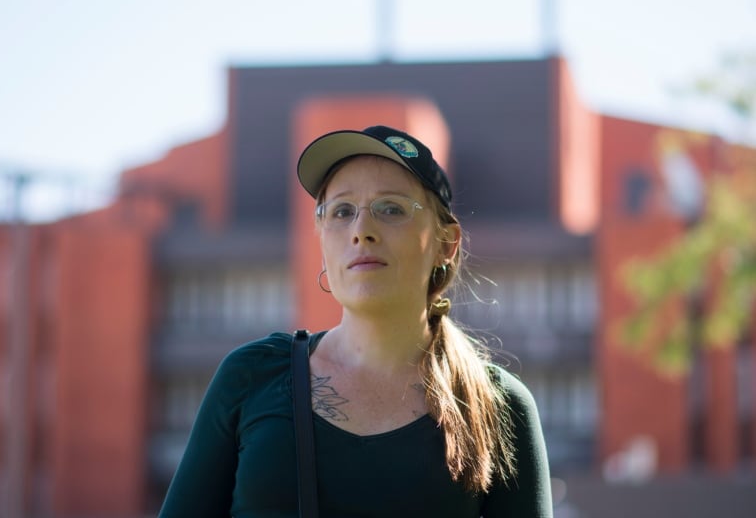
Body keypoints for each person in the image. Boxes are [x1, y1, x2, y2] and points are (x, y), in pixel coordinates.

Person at [158, 125, 553, 517]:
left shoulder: (498, 406)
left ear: (445, 243)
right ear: (321, 235)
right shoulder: (250, 378)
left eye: (391, 209)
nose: (361, 231)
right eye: (342, 211)